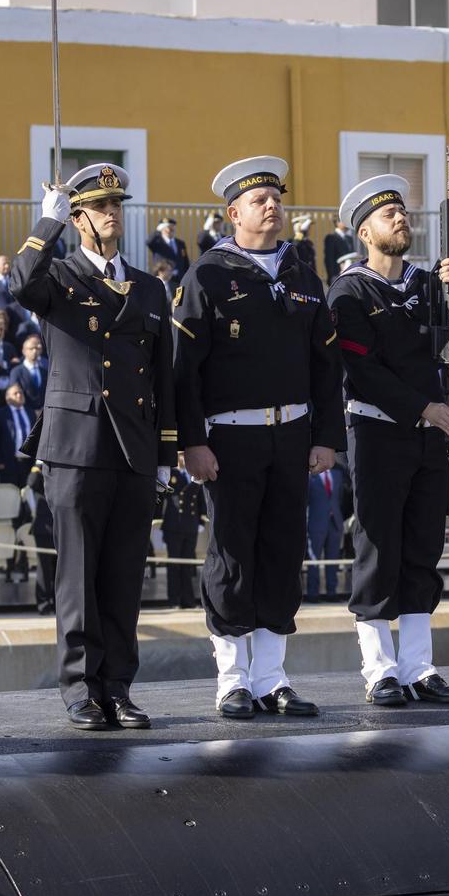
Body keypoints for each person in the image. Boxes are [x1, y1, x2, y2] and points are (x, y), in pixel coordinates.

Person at [172, 154, 344, 718]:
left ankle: (271, 676)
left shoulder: (302, 275)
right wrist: (190, 440)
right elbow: (184, 367)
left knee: (281, 552)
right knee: (231, 555)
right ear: (232, 214)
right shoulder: (209, 276)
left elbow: (326, 367)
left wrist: (326, 437)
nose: (271, 207)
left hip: (291, 435)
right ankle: (232, 679)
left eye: (276, 198)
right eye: (258, 201)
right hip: (230, 441)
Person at [11, 161, 176, 730]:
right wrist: (46, 222)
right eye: (100, 206)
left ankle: (119, 687)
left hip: (132, 447)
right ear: (79, 216)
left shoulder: (150, 288)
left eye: (116, 205)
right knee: (78, 574)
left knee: (124, 574)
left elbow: (163, 377)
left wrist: (164, 459)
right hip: (76, 445)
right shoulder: (58, 277)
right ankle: (82, 686)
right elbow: (19, 283)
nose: (112, 214)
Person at [324, 174, 449, 705]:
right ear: (364, 231)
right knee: (379, 547)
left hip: (431, 435)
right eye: (390, 216)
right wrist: (423, 407)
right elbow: (362, 371)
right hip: (378, 431)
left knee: (422, 550)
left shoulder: (427, 284)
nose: (402, 219)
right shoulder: (349, 290)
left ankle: (418, 667)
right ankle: (379, 669)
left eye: (403, 213)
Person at [160, 468, 205, 607]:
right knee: (174, 564)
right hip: (174, 525)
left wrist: (201, 520)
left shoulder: (194, 473)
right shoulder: (170, 473)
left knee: (188, 565)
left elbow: (200, 498)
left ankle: (188, 601)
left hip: (191, 525)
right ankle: (174, 600)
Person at [20, 464, 57, 613]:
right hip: (43, 528)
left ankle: (56, 602)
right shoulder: (38, 473)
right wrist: (38, 464)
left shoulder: (58, 472)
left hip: (59, 527)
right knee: (44, 567)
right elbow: (31, 482)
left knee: (58, 569)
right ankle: (43, 603)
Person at [305, 466, 343, 599]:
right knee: (314, 559)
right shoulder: (310, 476)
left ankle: (331, 592)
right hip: (316, 523)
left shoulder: (338, 474)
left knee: (333, 558)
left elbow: (341, 498)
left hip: (334, 523)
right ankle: (312, 593)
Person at [0, 379, 37, 481]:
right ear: (7, 398)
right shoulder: (1, 414)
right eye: (15, 393)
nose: (19, 395)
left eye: (20, 392)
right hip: (9, 462)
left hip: (29, 462)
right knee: (11, 493)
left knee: (28, 493)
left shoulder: (30, 412)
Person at [147, 215, 190, 280]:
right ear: (162, 229)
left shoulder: (180, 243)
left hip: (179, 278)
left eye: (172, 228)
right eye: (167, 228)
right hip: (163, 277)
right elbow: (148, 242)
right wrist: (157, 231)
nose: (169, 230)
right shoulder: (157, 243)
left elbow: (185, 261)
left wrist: (186, 275)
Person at [16, 330, 48, 410]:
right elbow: (15, 395)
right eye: (31, 348)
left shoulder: (44, 371)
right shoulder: (16, 372)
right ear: (24, 351)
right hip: (27, 414)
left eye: (37, 348)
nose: (34, 351)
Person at [323, 216, 356, 283]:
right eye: (343, 221)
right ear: (337, 223)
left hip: (349, 273)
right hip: (337, 274)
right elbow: (329, 259)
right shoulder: (331, 238)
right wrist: (332, 276)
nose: (346, 223)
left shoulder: (349, 238)